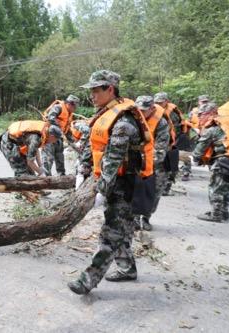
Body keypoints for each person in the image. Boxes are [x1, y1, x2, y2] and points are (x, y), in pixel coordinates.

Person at [69, 70, 153, 295]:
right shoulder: (104, 114)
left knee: (111, 233)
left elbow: (114, 159)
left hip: (126, 185)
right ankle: (127, 269)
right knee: (121, 229)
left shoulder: (124, 122)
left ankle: (88, 280)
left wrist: (102, 191)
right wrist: (82, 171)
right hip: (113, 182)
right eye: (91, 91)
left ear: (110, 90)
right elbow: (91, 145)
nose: (92, 96)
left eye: (96, 90)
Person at [134, 96, 172, 231]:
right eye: (139, 110)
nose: (141, 113)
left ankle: (146, 218)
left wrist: (145, 166)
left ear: (152, 108)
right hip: (140, 159)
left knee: (154, 191)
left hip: (158, 162)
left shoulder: (161, 123)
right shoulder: (134, 118)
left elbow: (160, 150)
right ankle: (134, 218)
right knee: (135, 189)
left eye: (144, 110)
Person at [192, 102, 229, 222]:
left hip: (224, 161)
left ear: (210, 114)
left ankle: (216, 214)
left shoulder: (214, 128)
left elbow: (200, 147)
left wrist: (195, 159)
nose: (199, 117)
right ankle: (224, 211)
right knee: (225, 186)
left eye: (201, 114)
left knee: (215, 187)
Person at [154, 92, 192, 185]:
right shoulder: (154, 109)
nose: (158, 104)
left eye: (160, 102)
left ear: (166, 101)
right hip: (160, 139)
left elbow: (174, 130)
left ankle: (168, 184)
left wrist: (170, 142)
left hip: (172, 140)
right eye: (156, 102)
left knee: (169, 162)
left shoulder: (172, 114)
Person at [41, 95, 80, 176]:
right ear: (69, 104)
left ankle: (61, 175)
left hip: (59, 137)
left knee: (60, 157)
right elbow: (51, 118)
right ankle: (46, 177)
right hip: (50, 135)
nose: (75, 109)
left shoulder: (70, 114)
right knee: (48, 158)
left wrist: (74, 143)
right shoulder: (58, 107)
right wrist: (59, 130)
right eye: (75, 106)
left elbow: (67, 129)